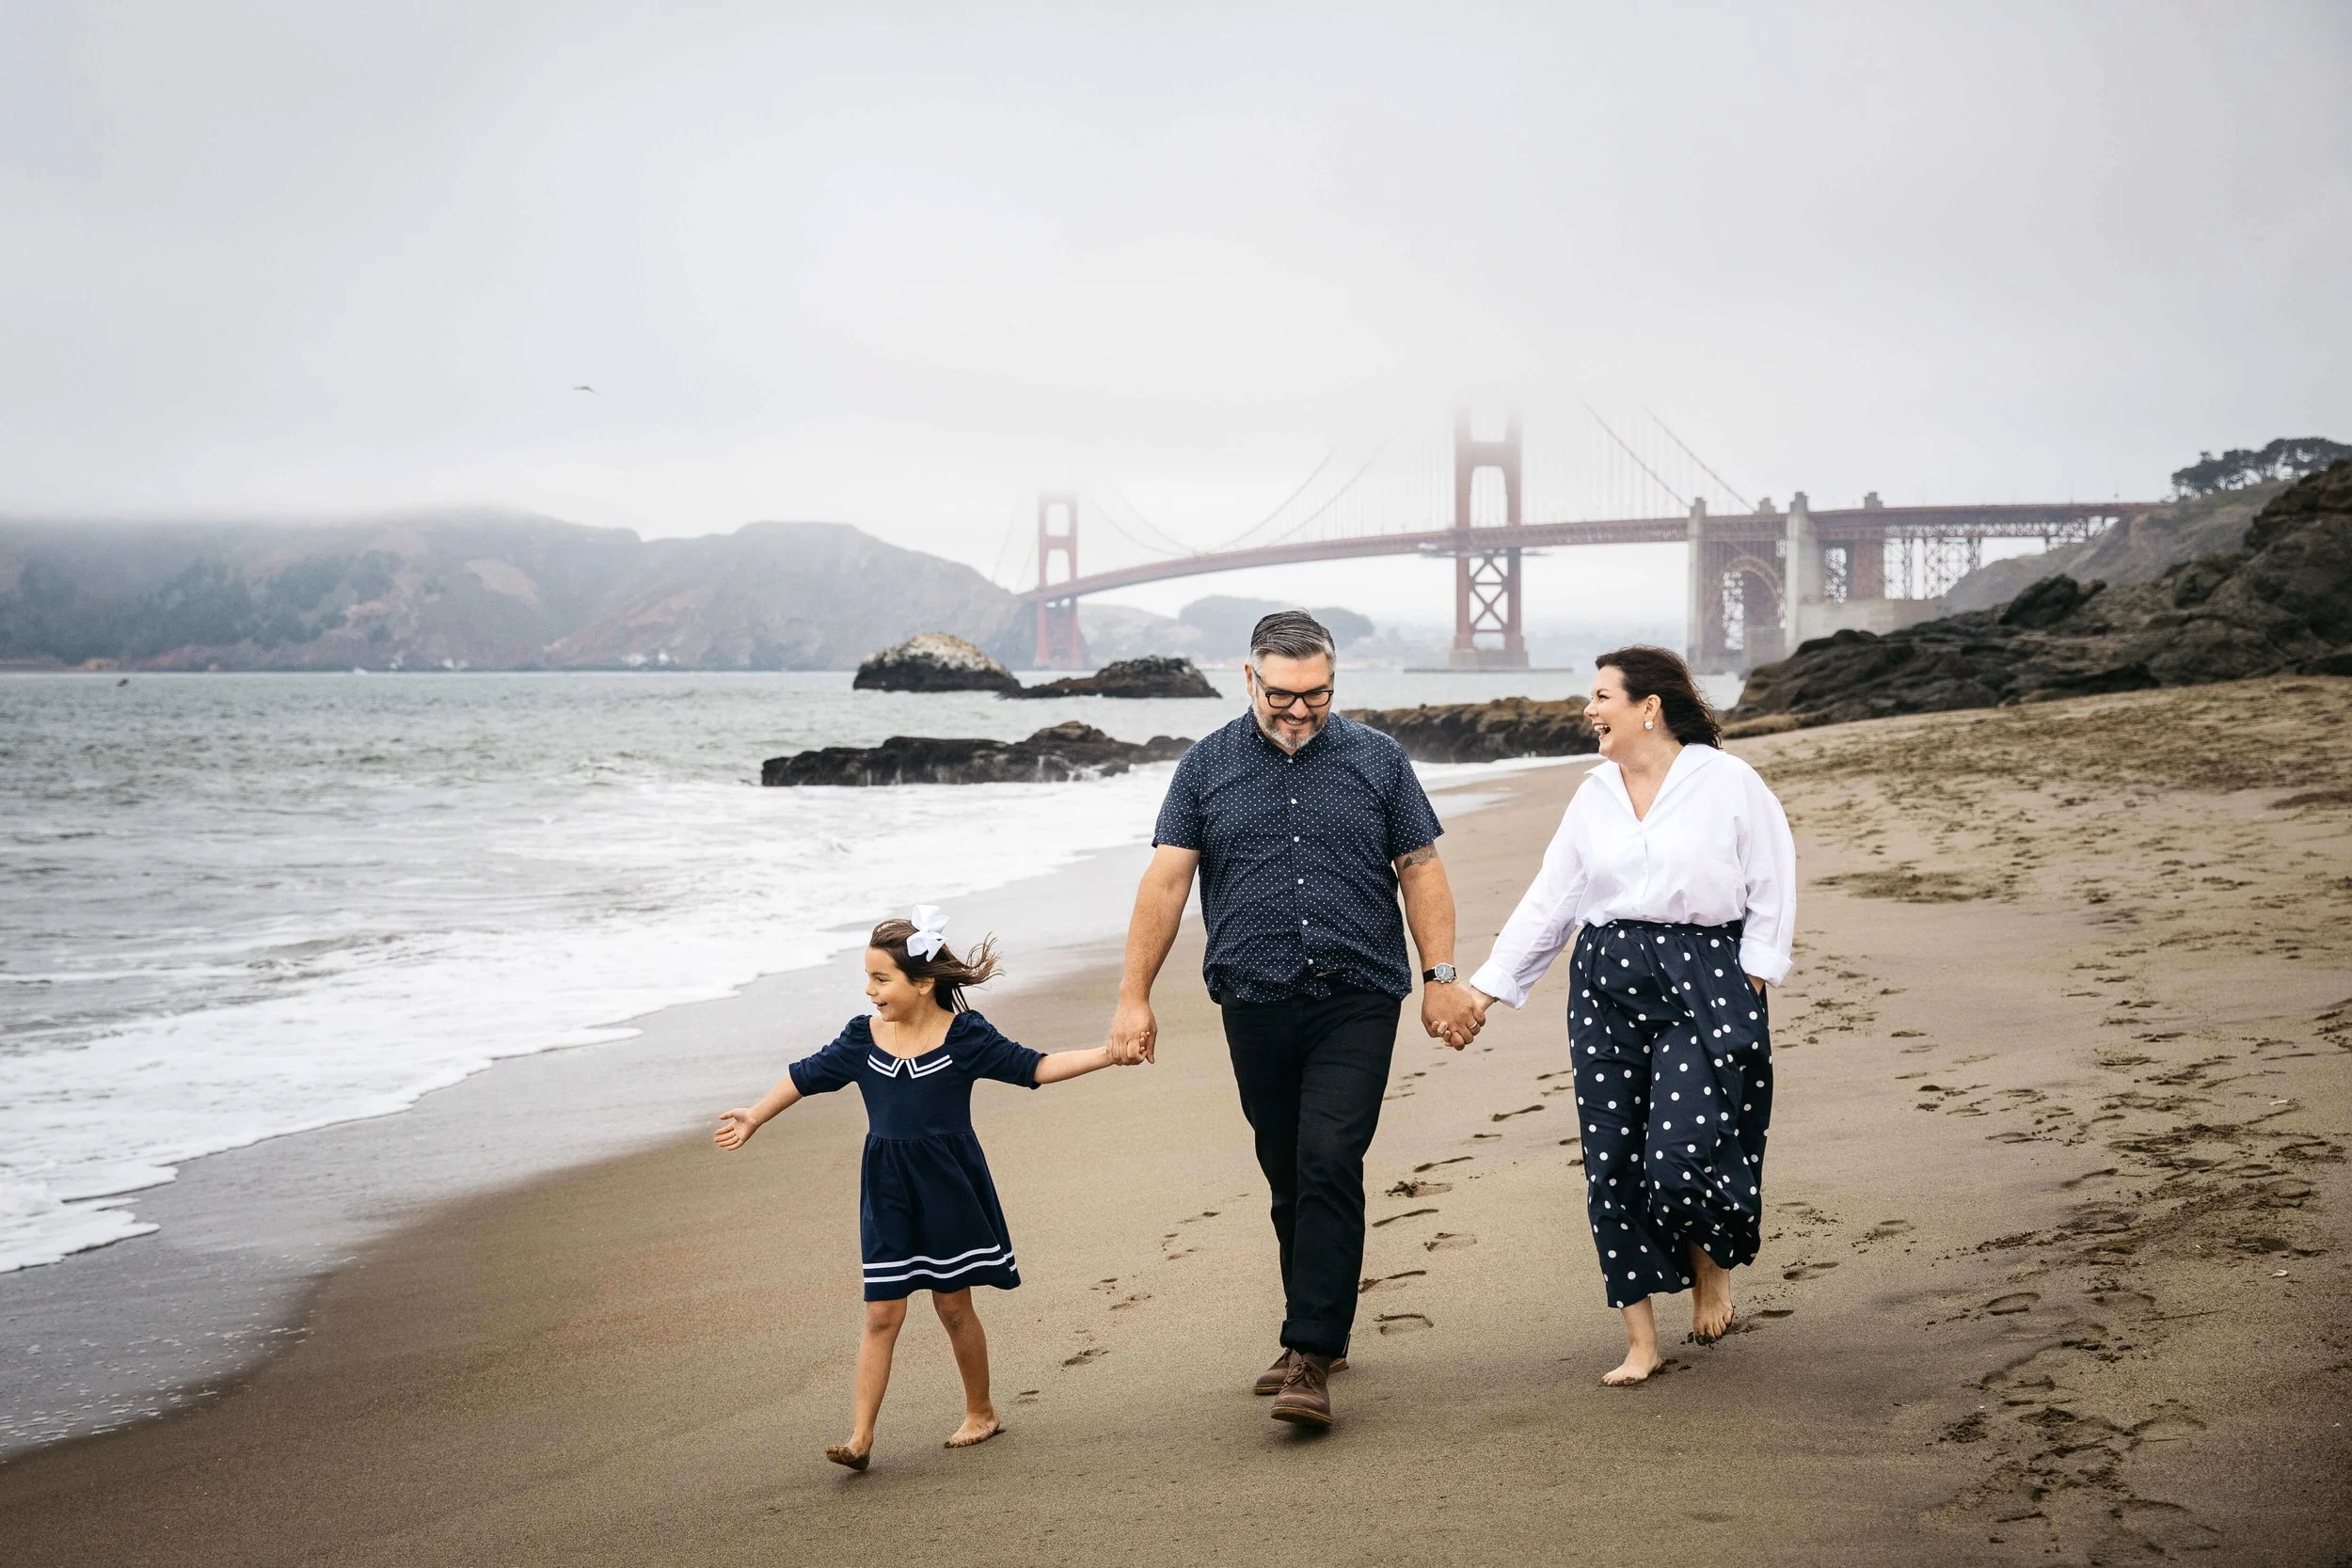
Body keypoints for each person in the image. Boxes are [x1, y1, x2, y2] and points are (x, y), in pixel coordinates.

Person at [1109, 610, 1485, 1430]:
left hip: (1357, 995)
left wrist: (1441, 977)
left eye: (1316, 693)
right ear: (1249, 679)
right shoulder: (1205, 767)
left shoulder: (1376, 759)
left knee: (1327, 1155)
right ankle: (1319, 1324)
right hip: (1254, 999)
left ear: (1333, 681)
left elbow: (1420, 868)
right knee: (1286, 1169)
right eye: (1282, 693)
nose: (1299, 709)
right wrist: (1134, 995)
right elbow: (1167, 883)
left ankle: (1310, 1349)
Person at [1462, 646, 1795, 1386]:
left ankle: (1709, 1257)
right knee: (1611, 1160)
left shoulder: (1727, 782)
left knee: (1677, 1157)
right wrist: (1485, 989)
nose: (1589, 709)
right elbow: (1553, 900)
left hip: (1701, 976)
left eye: (1601, 695)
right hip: (1606, 982)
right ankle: (1641, 1339)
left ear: (1649, 706)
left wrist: (1755, 974)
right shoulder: (1593, 794)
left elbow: (1772, 878)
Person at [716, 907, 1140, 1469]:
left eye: (880, 978)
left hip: (948, 1188)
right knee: (882, 1313)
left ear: (922, 982)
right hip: (887, 1192)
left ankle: (981, 1412)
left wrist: (1108, 1054)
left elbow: (1034, 1067)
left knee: (953, 1305)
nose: (869, 990)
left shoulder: (965, 1037)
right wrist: (755, 1115)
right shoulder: (860, 1040)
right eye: (868, 977)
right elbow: (804, 1075)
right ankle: (861, 1438)